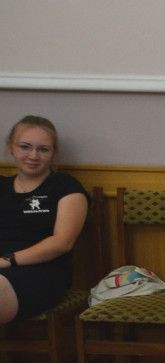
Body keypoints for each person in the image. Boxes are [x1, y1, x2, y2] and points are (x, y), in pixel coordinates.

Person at [0, 116, 88, 324]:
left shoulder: (66, 187)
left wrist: (7, 260)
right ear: (11, 148)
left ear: (53, 153)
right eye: (25, 147)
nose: (33, 155)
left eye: (43, 149)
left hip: (43, 273)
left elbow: (62, 243)